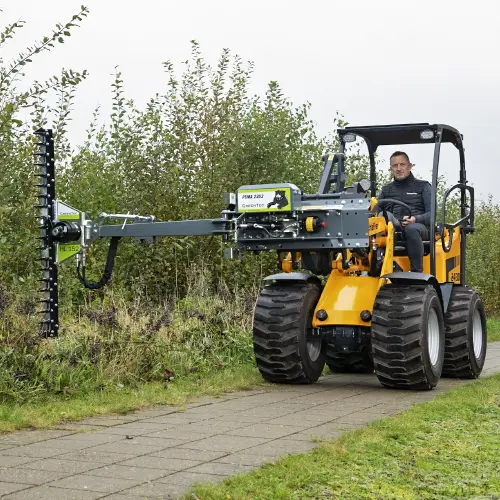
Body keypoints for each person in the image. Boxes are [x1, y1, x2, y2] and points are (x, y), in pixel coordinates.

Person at [378, 151, 432, 273]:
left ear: (410, 165)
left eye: (402, 164)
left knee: (411, 229)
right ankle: (377, 267)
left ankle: (416, 273)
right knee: (379, 219)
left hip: (420, 228)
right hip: (395, 227)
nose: (399, 168)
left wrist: (415, 219)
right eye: (395, 165)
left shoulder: (423, 187)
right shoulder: (386, 190)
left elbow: (431, 215)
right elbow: (377, 212)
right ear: (391, 168)